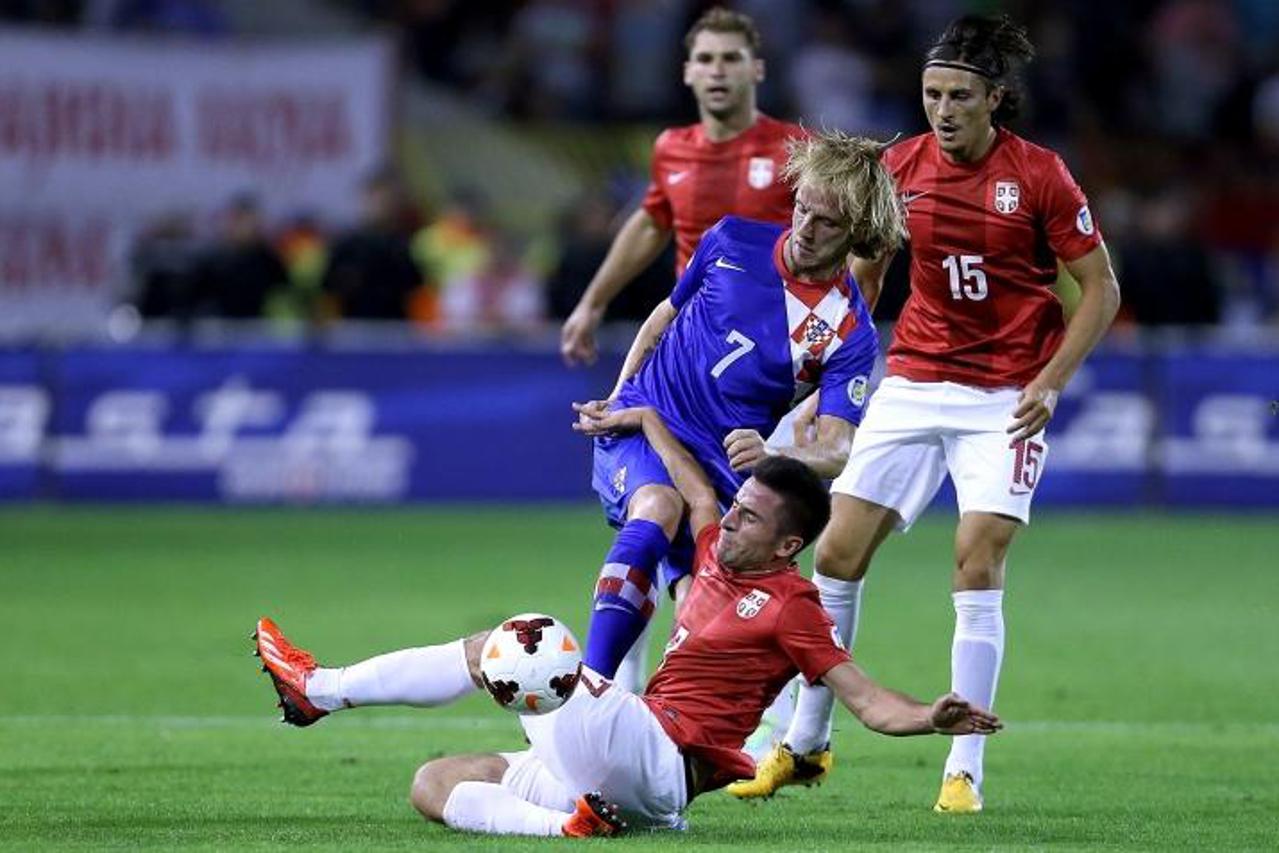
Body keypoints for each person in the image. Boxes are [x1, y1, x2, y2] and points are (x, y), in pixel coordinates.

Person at [252, 406, 1002, 837]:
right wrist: (647, 419)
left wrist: (931, 717)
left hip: (659, 753)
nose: (731, 520)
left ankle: (319, 689)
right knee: (436, 782)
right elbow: (698, 493)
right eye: (738, 506)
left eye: (750, 517)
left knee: (516, 642)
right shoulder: (715, 550)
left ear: (787, 545)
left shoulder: (791, 604)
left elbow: (864, 700)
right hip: (631, 783)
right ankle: (573, 826)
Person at [728, 15, 1122, 813]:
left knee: (975, 561)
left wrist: (1050, 382)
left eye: (958, 96)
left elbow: (1101, 290)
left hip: (1004, 395)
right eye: (931, 94)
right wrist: (830, 382)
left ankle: (962, 768)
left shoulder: (1040, 176)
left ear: (994, 99)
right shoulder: (899, 167)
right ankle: (804, 745)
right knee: (835, 553)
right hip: (911, 379)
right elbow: (867, 282)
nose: (942, 109)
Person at [574, 129, 905, 698]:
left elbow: (837, 448)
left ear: (857, 232)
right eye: (802, 208)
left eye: (826, 222)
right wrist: (619, 394)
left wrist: (774, 452)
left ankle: (675, 724)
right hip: (646, 419)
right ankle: (590, 687)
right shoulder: (730, 238)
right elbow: (663, 317)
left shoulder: (849, 330)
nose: (806, 228)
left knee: (700, 607)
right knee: (658, 508)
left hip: (719, 469)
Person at [559, 6, 804, 367]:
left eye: (731, 58)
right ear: (688, 72)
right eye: (705, 59)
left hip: (776, 341)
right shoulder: (671, 148)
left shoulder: (797, 148)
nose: (717, 70)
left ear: (757, 69)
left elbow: (841, 235)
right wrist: (592, 304)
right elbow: (651, 223)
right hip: (693, 336)